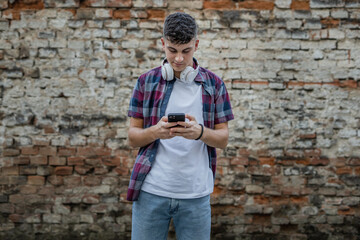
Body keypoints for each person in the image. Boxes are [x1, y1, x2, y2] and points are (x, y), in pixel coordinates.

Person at [127, 12, 234, 240]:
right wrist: (156, 132)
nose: (178, 59)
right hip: (151, 192)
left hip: (195, 195)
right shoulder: (146, 82)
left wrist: (200, 133)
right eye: (172, 50)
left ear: (196, 44)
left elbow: (223, 139)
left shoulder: (214, 85)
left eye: (186, 51)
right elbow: (132, 137)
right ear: (163, 44)